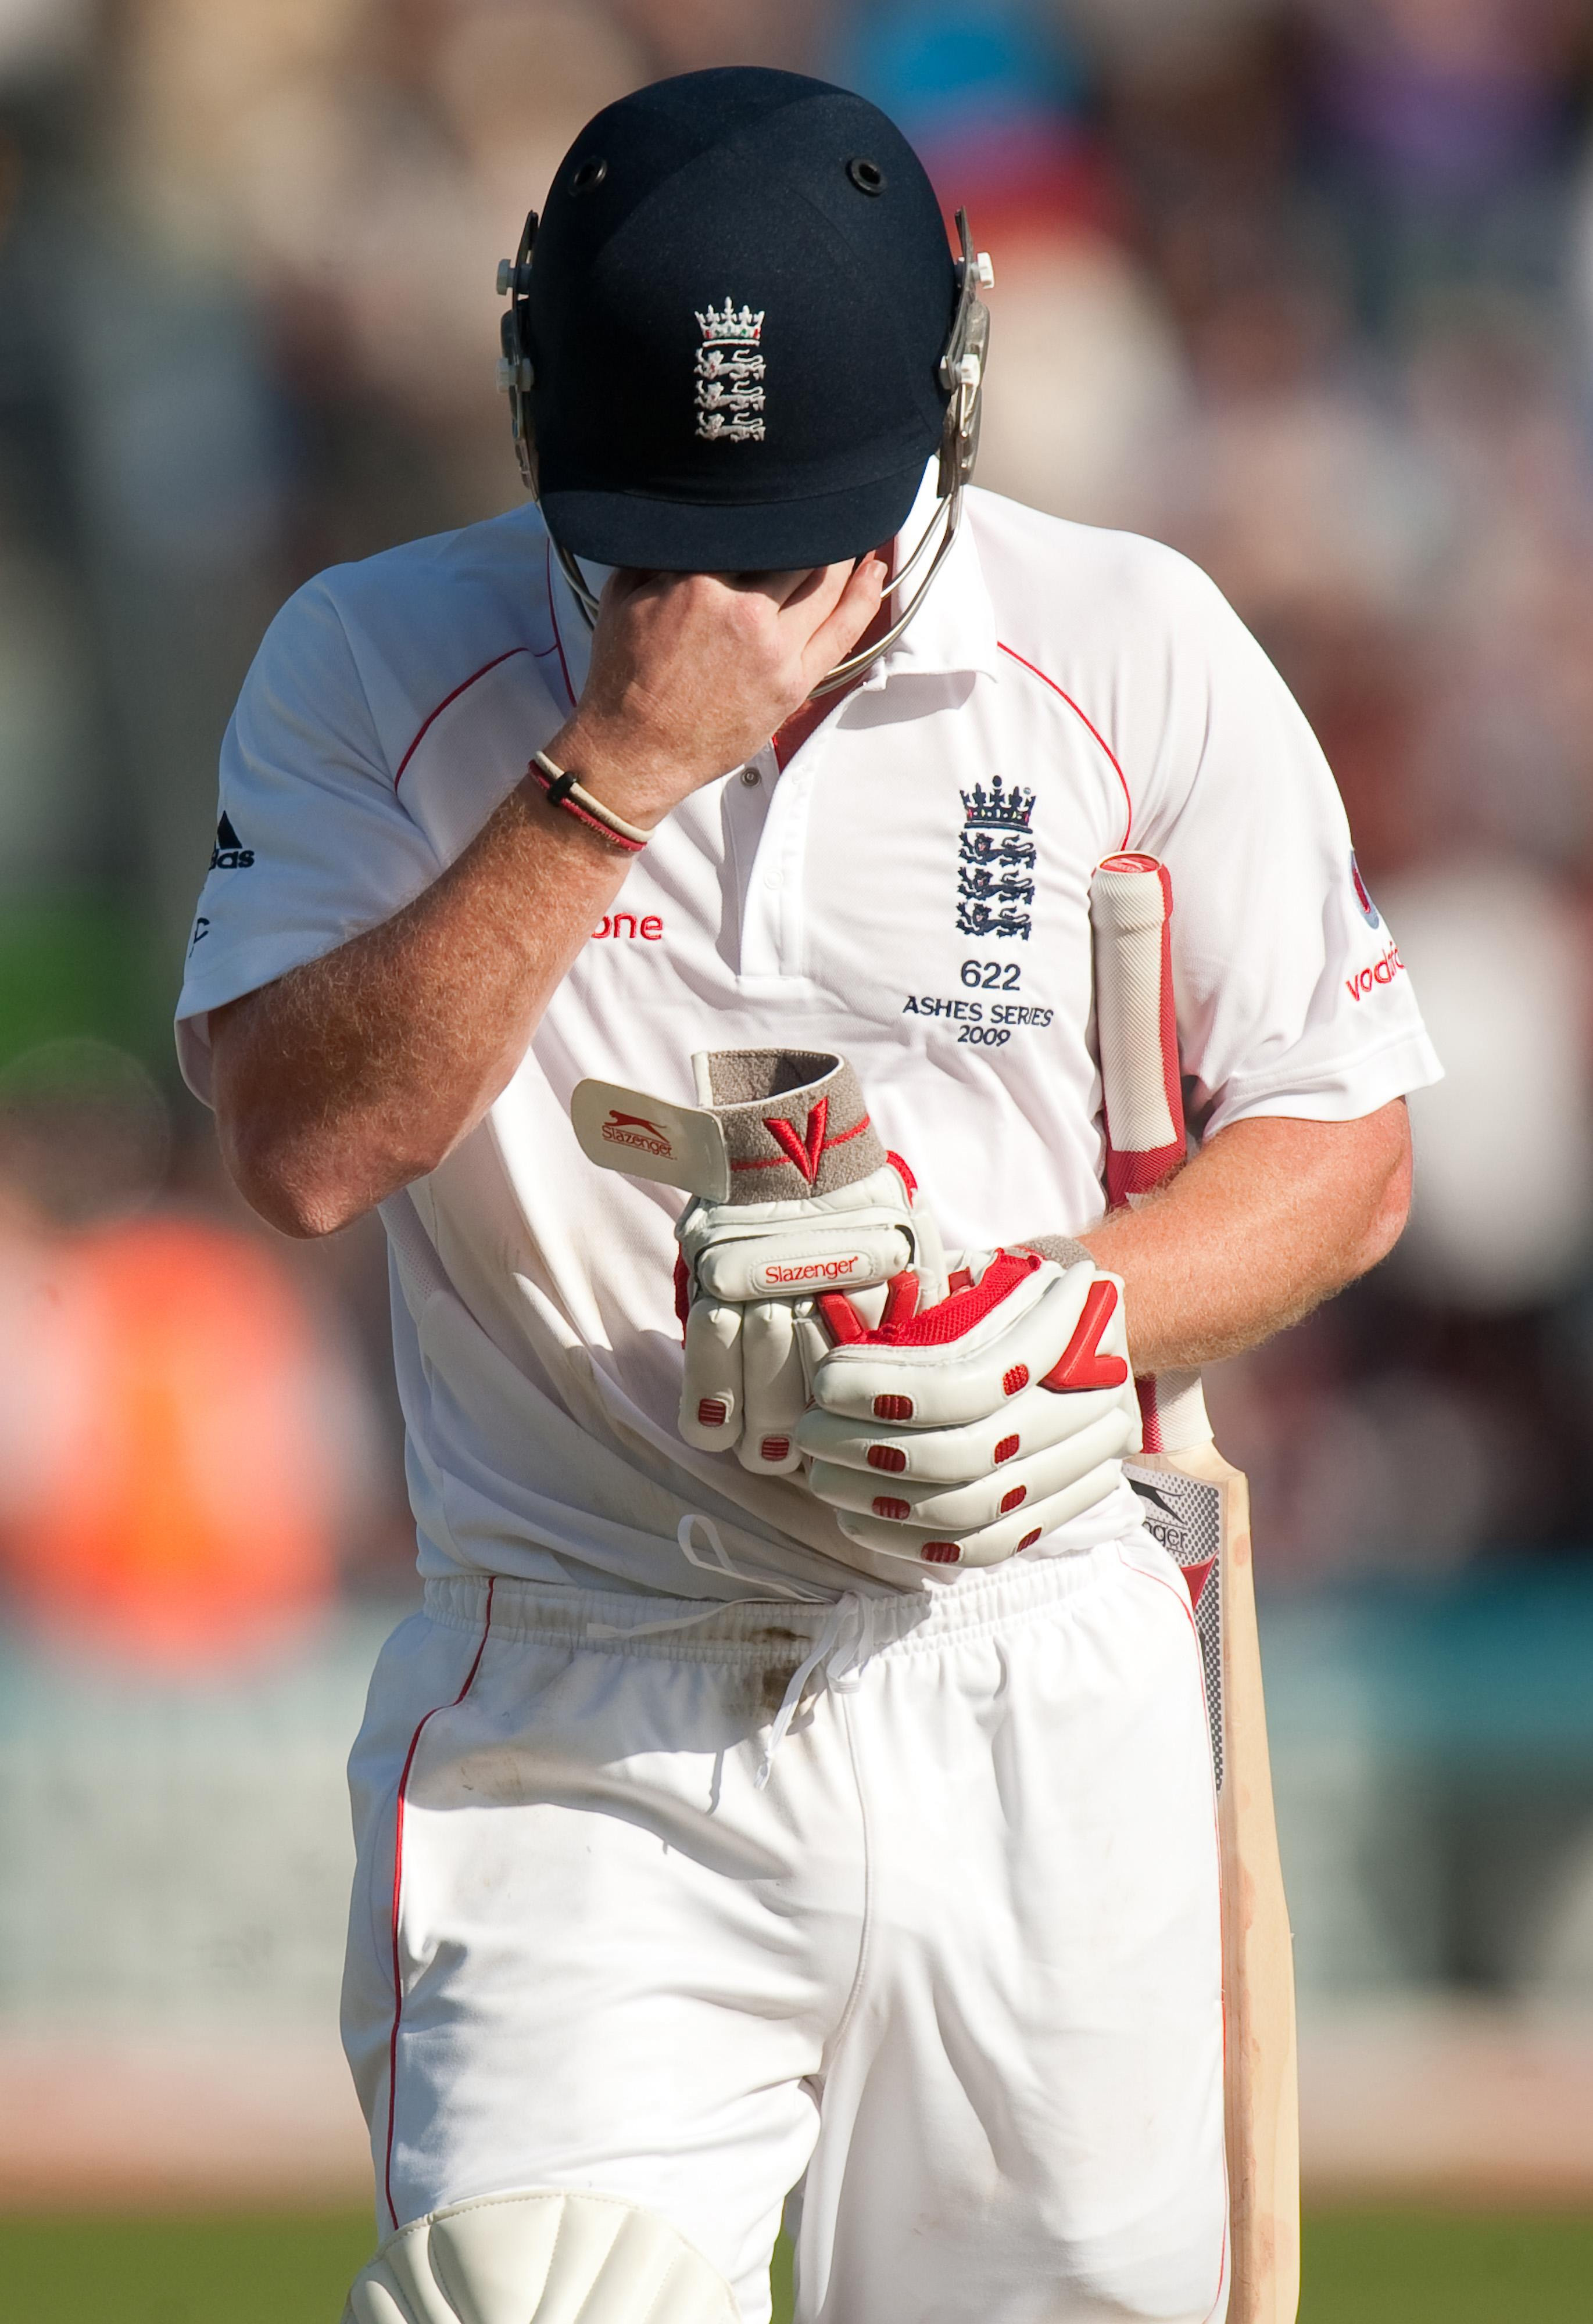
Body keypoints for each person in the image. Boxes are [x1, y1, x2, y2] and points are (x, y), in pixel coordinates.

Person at [177, 67, 1438, 2324]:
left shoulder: (1125, 644)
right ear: (532, 393)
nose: (735, 606)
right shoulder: (372, 664)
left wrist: (1051, 1323)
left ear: (951, 396)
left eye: (794, 541)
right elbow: (297, 1143)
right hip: (586, 1690)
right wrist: (605, 776)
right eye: (659, 538)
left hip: (1021, 1672)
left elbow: (1340, 1145)